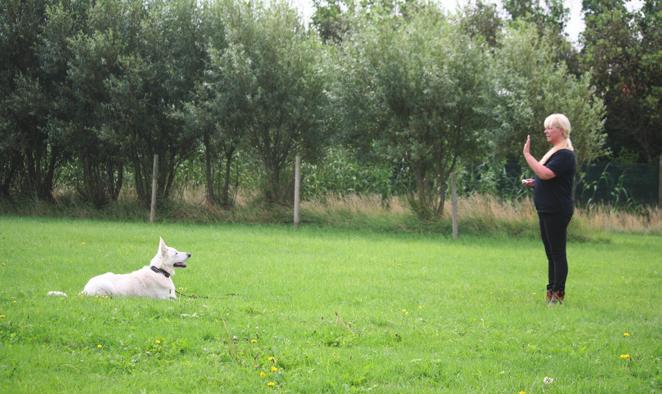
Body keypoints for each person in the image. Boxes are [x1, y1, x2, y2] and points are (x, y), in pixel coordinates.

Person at [522, 114, 576, 304]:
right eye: (545, 127)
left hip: (557, 210)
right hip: (546, 209)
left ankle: (558, 294)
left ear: (560, 130)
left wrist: (528, 155)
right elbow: (548, 179)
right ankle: (551, 291)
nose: (545, 131)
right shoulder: (555, 152)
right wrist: (535, 183)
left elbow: (546, 174)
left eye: (549, 127)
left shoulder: (565, 155)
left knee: (557, 253)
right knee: (550, 253)